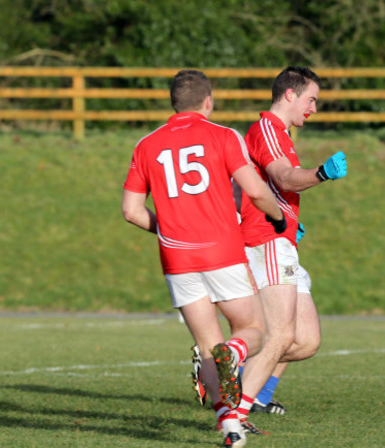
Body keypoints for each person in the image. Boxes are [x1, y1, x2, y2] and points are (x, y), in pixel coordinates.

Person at [121, 69, 287, 448]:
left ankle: (230, 426)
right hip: (222, 251)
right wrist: (277, 217)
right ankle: (234, 353)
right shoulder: (224, 135)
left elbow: (131, 211)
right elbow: (257, 192)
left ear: (173, 103)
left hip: (177, 259)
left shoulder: (146, 144)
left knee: (207, 343)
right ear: (208, 101)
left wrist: (168, 230)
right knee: (252, 331)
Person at [235, 66, 348, 427]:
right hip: (266, 240)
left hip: (282, 239)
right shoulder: (267, 128)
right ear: (289, 94)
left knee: (306, 341)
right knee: (281, 335)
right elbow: (284, 177)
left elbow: (276, 188)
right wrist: (321, 173)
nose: (313, 108)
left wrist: (294, 222)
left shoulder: (281, 135)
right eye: (311, 99)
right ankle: (234, 404)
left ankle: (234, 378)